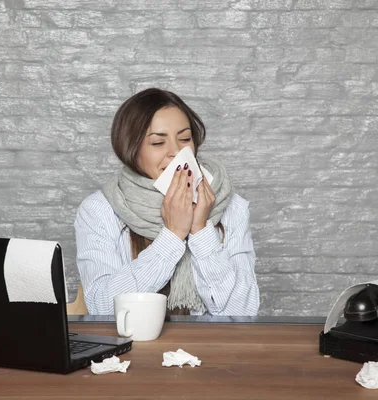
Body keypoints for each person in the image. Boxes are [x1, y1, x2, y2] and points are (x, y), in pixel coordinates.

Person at [74, 88, 260, 316]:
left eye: (184, 139)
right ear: (130, 149)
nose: (176, 151)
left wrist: (200, 230)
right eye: (157, 143)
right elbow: (101, 306)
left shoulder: (231, 206)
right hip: (133, 348)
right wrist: (172, 235)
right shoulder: (100, 210)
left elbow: (243, 311)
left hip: (210, 348)